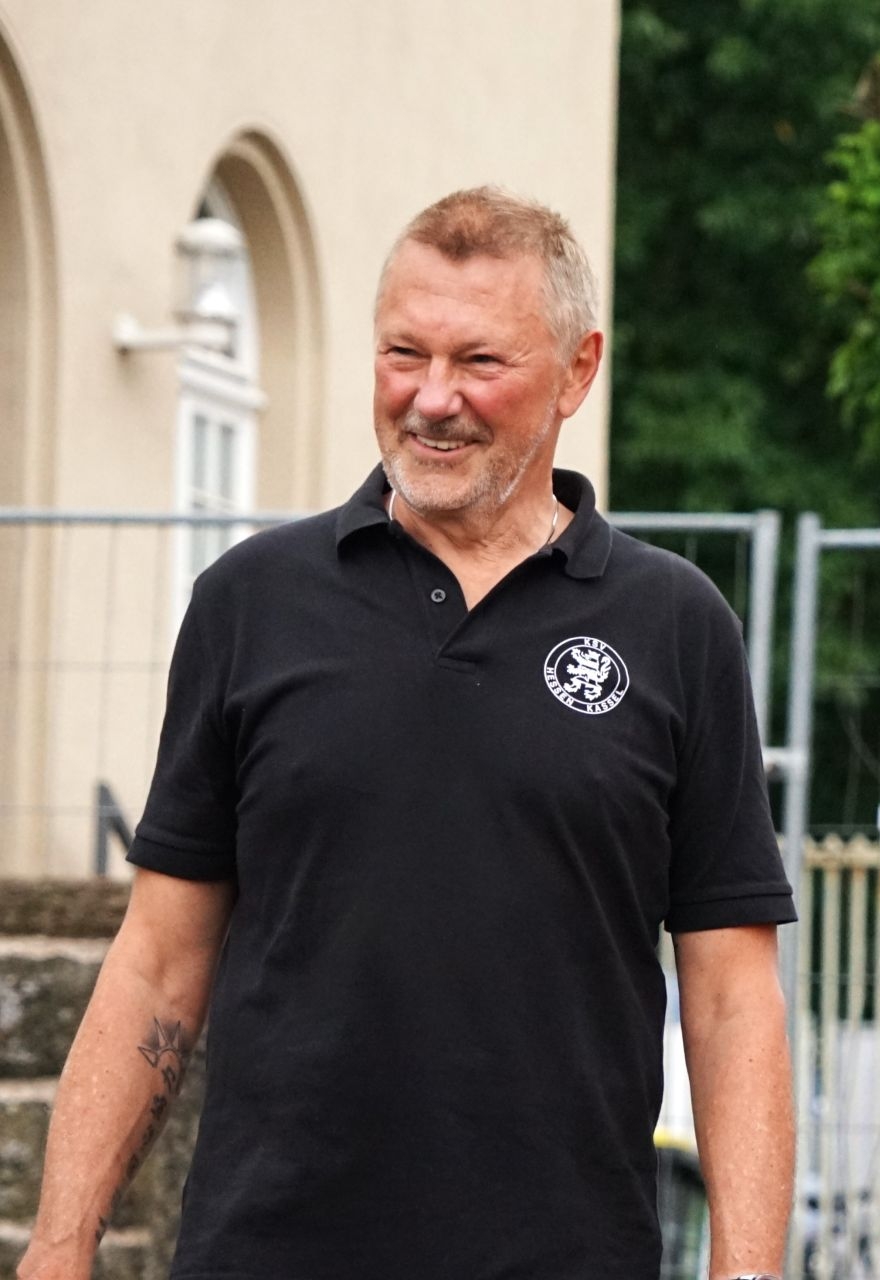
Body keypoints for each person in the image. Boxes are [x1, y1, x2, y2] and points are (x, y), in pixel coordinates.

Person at [20, 189, 795, 1280]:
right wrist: (59, 1246)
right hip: (269, 1254)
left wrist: (747, 1270)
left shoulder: (674, 627)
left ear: (577, 370)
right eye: (403, 353)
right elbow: (157, 958)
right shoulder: (251, 602)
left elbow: (730, 997)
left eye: (479, 361)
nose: (432, 399)